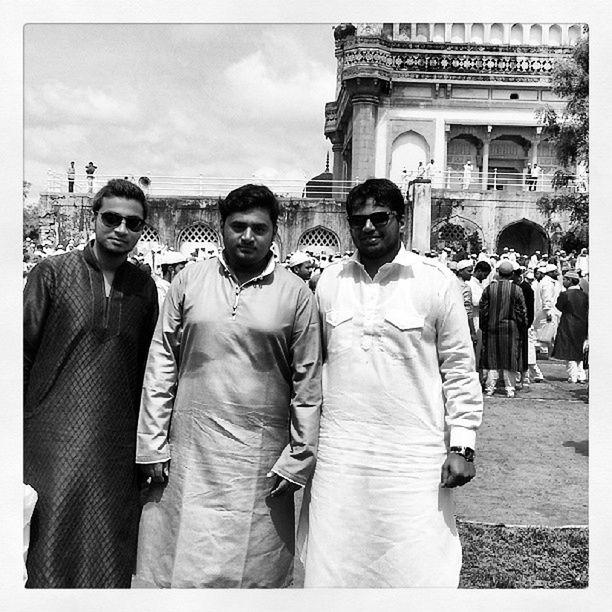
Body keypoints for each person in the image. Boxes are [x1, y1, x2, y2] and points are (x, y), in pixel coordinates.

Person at [134, 183, 322, 588]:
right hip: (189, 451)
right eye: (238, 226)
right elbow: (162, 361)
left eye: (259, 227)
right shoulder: (190, 280)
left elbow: (308, 382)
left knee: (252, 570)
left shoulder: (296, 293)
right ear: (222, 228)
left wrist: (300, 457)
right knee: (180, 562)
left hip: (259, 460)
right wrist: (151, 442)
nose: (248, 236)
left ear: (276, 232)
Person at [301, 178, 483, 587]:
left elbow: (458, 367)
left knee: (414, 567)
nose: (368, 227)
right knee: (333, 566)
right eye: (358, 220)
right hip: (341, 454)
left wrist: (463, 446)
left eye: (379, 218)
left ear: (399, 220)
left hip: (411, 456)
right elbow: (315, 365)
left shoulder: (435, 281)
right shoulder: (330, 281)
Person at [23, 179, 159, 587]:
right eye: (112, 218)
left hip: (115, 447)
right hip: (48, 441)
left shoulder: (143, 288)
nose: (121, 229)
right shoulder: (51, 274)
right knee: (47, 550)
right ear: (94, 218)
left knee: (107, 552)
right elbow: (18, 356)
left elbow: (149, 367)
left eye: (133, 223)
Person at [479, 260, 528, 398]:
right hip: (511, 330)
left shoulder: (489, 289)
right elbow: (522, 311)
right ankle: (510, 389)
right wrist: (522, 326)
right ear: (512, 274)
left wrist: (484, 326)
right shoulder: (517, 290)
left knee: (492, 358)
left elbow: (484, 310)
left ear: (498, 273)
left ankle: (490, 388)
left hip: (492, 327)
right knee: (510, 358)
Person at [552, 271, 588, 383]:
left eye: (565, 279)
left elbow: (559, 307)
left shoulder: (565, 294)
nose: (563, 282)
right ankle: (581, 375)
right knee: (579, 349)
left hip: (568, 323)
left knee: (569, 350)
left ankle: (573, 376)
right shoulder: (584, 295)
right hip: (582, 324)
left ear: (570, 280)